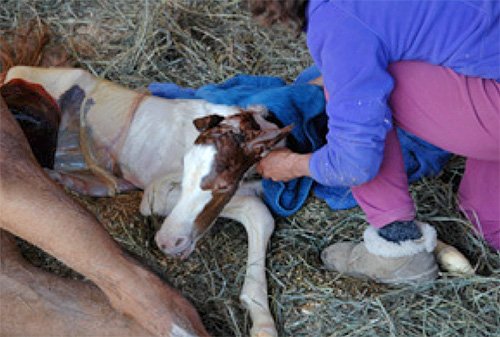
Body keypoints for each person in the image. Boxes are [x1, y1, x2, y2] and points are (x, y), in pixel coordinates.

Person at [250, 0, 499, 283]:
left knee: (367, 88)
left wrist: (292, 165)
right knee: (487, 219)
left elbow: (355, 163)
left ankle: (398, 248)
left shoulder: (337, 17)